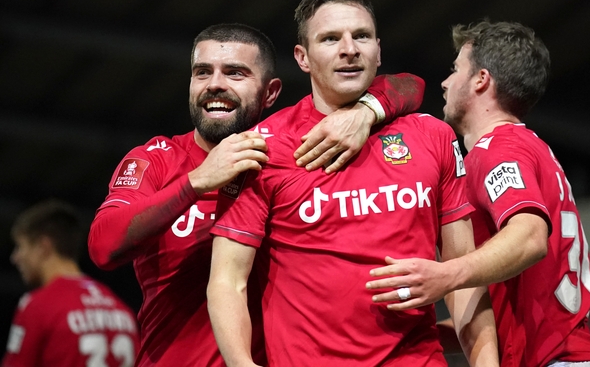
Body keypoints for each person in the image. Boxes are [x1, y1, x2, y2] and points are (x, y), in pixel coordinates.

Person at [87, 22, 424, 366]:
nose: (215, 84)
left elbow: (410, 84)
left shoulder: (293, 154)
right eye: (202, 72)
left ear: (271, 92)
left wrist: (365, 112)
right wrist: (197, 181)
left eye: (235, 73)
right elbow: (102, 247)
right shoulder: (158, 159)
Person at [207, 0, 498, 367]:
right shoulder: (262, 149)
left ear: (378, 50)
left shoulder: (433, 136)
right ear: (303, 57)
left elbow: (462, 276)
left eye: (361, 36)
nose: (349, 49)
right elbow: (228, 280)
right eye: (330, 39)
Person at [366, 20, 590, 366]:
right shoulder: (526, 147)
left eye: (455, 70)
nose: (445, 81)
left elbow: (529, 236)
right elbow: (500, 313)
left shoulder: (497, 148)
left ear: (481, 80)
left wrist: (444, 275)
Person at [2, 200, 139, 367]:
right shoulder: (121, 309)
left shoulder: (38, 306)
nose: (16, 257)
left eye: (20, 247)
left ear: (43, 247)